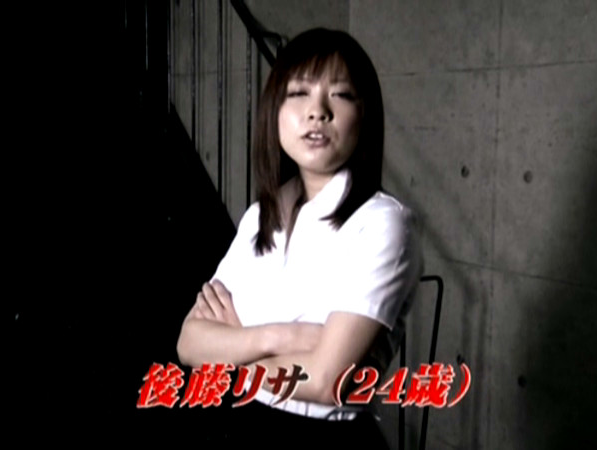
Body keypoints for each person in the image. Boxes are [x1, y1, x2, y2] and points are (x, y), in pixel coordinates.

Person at [176, 28, 423, 447]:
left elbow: (328, 381)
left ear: (365, 115)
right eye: (298, 93)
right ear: (275, 110)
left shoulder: (382, 223)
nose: (317, 112)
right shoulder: (259, 218)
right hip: (243, 426)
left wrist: (232, 353)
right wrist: (282, 337)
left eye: (340, 95)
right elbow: (189, 344)